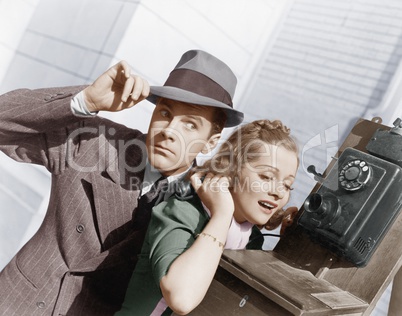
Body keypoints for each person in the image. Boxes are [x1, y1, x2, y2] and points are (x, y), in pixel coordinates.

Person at [0, 50, 244, 315]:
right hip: (16, 303)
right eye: (164, 112)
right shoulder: (94, 142)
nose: (169, 131)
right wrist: (87, 101)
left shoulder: (204, 204)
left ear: (211, 141)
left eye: (190, 125)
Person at [117, 119, 299, 315]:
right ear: (231, 170)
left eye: (287, 185)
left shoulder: (252, 238)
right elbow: (181, 299)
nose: (279, 192)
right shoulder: (182, 212)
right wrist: (222, 215)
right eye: (266, 177)